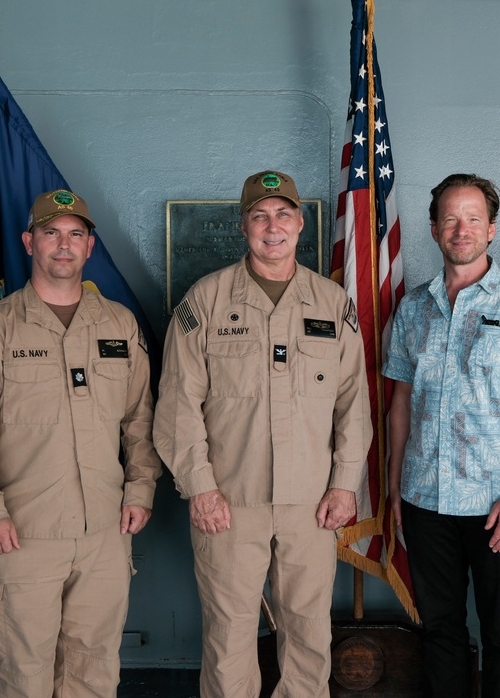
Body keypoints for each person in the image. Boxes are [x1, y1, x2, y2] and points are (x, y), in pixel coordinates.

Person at [0, 189, 161, 697]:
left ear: (89, 246)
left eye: (75, 235)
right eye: (51, 233)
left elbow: (140, 419)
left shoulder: (118, 325)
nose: (64, 245)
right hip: (21, 532)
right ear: (29, 242)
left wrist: (141, 489)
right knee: (24, 673)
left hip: (105, 532)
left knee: (94, 670)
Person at [153, 170, 370, 698]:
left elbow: (353, 404)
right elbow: (177, 404)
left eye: (282, 215)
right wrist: (200, 487)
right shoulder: (204, 301)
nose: (272, 227)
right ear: (243, 226)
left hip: (311, 501)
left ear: (299, 224)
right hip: (229, 499)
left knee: (310, 632)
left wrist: (345, 485)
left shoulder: (332, 303)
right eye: (259, 216)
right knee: (228, 636)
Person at [383, 173, 500, 698]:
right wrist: (396, 489)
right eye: (451, 219)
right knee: (440, 631)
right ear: (435, 229)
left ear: (491, 230)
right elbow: (400, 405)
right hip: (424, 499)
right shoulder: (413, 307)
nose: (461, 229)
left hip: (497, 504)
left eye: (473, 219)